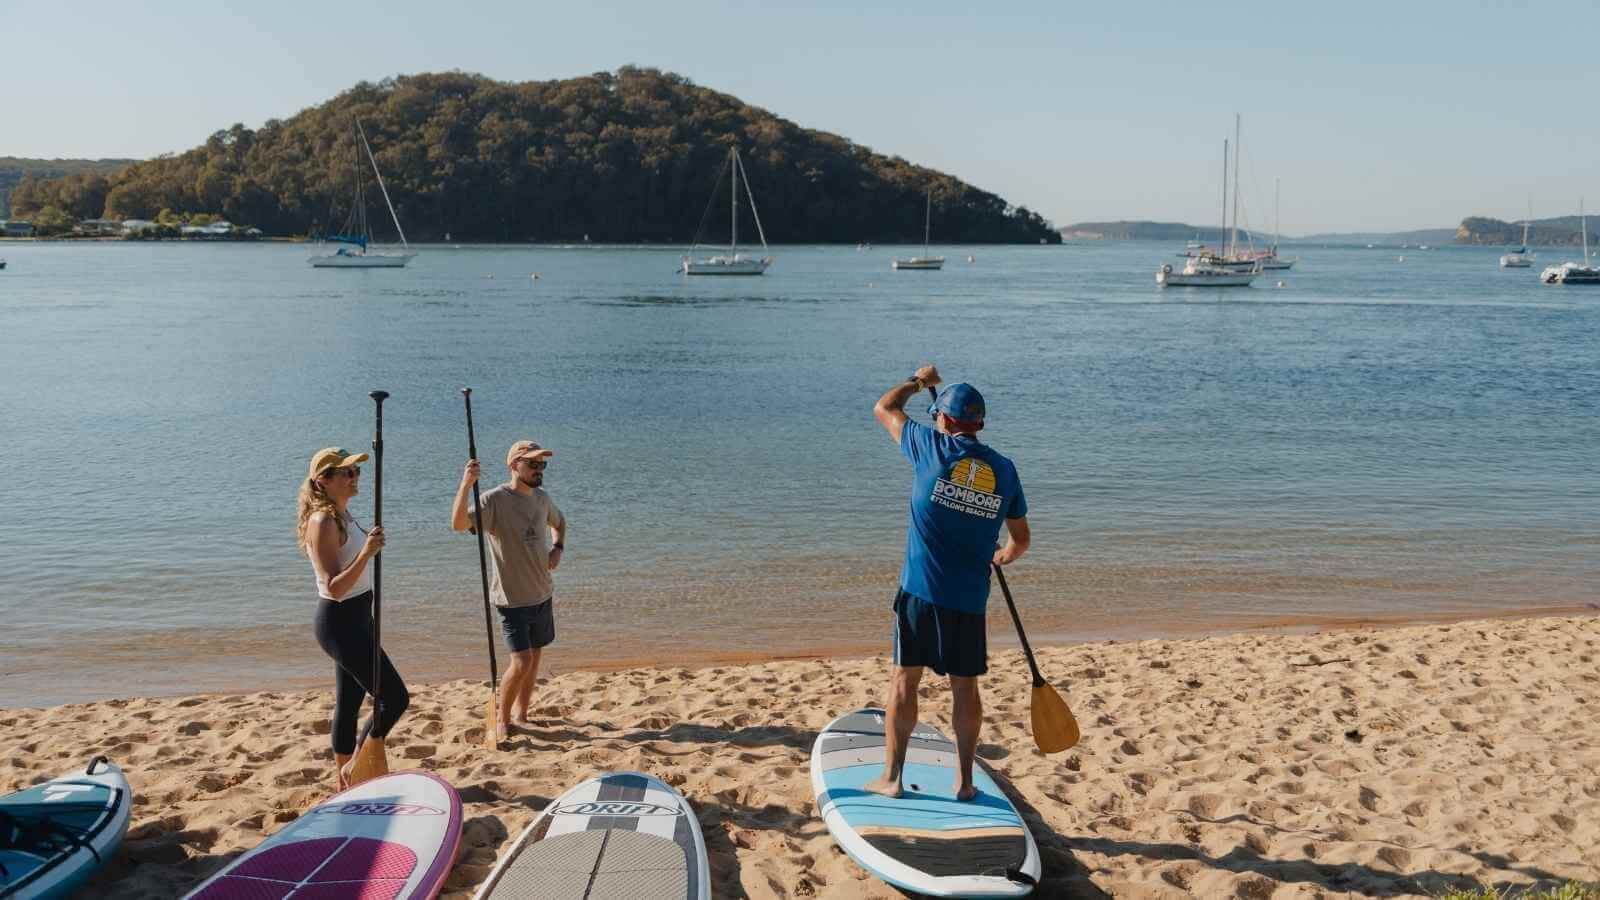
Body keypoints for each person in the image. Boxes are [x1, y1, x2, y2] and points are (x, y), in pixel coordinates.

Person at [866, 365, 1030, 801]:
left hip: (919, 592)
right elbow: (1020, 541)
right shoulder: (1005, 470)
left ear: (942, 420)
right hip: (969, 599)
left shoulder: (928, 448)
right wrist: (1001, 556)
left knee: (904, 680)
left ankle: (893, 779)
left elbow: (885, 407)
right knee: (964, 686)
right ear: (979, 424)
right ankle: (965, 781)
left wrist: (919, 381)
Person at [298, 446, 410, 789]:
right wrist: (367, 552)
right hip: (340, 620)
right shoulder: (323, 521)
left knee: (349, 702)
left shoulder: (343, 515)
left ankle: (344, 780)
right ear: (324, 480)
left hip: (361, 614)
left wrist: (367, 546)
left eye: (357, 471)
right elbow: (333, 587)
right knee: (394, 698)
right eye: (346, 472)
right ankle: (357, 767)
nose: (355, 476)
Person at [451, 440, 567, 742]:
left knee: (536, 656)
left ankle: (522, 715)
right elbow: (459, 524)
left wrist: (557, 548)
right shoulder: (494, 501)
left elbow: (560, 522)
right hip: (511, 599)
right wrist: (467, 484)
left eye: (542, 464)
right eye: (533, 463)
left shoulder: (542, 499)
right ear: (514, 465)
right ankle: (502, 719)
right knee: (522, 661)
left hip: (542, 592)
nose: (539, 469)